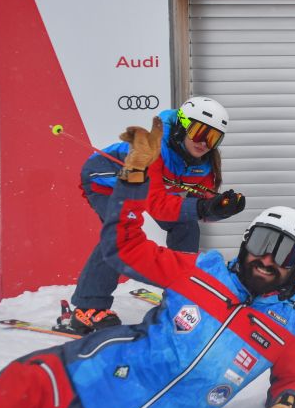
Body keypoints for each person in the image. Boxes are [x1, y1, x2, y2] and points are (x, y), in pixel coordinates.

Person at [0, 118, 295, 408]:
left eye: (284, 253)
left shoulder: (292, 324)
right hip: (64, 375)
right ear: (245, 244)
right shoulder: (200, 270)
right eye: (261, 243)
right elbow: (124, 247)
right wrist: (131, 184)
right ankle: (89, 302)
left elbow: (294, 379)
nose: (267, 259)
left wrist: (292, 403)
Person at [71, 96, 246, 334]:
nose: (204, 142)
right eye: (199, 131)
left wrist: (220, 209)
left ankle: (180, 290)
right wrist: (203, 208)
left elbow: (201, 206)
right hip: (106, 183)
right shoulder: (156, 149)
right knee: (119, 234)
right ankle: (87, 307)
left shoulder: (204, 164)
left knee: (186, 226)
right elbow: (154, 204)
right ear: (183, 125)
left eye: (213, 137)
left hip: (149, 190)